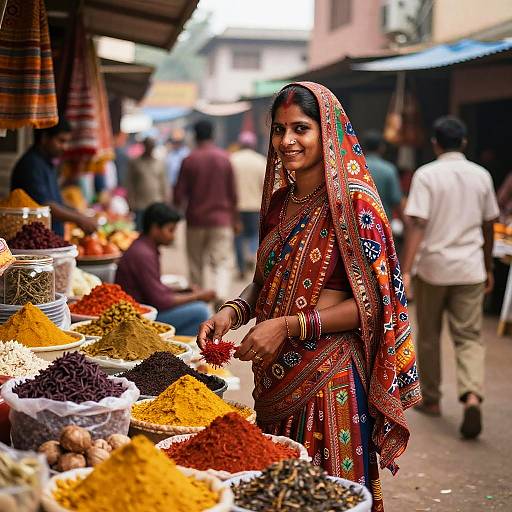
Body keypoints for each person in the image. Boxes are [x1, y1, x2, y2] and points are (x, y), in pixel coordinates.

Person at [197, 83, 420, 510]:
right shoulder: (281, 202)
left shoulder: (355, 205)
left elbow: (377, 305)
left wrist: (287, 325)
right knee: (277, 496)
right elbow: (263, 280)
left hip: (329, 380)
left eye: (300, 128)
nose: (287, 141)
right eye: (279, 130)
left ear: (328, 131)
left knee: (324, 497)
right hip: (275, 377)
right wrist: (232, 310)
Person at [402, 116, 499, 439]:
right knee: (469, 336)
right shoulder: (482, 176)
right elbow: (488, 225)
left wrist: (407, 269)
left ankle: (431, 400)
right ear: (465, 143)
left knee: (429, 335)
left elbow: (417, 224)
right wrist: (487, 268)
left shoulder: (427, 175)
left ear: (435, 143)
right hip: (470, 268)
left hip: (434, 268)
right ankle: (471, 394)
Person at [115, 203, 215, 336]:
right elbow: (160, 301)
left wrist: (184, 291)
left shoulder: (144, 247)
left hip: (146, 308)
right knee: (201, 311)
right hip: (138, 318)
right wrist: (197, 296)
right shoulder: (143, 254)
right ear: (155, 228)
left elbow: (154, 288)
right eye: (170, 230)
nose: (173, 236)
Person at [174, 120, 237, 306]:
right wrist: (235, 219)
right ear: (213, 134)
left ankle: (199, 299)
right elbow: (232, 193)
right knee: (222, 261)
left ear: (194, 136)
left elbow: (179, 194)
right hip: (222, 219)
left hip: (195, 220)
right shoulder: (224, 158)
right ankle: (219, 293)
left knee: (195, 263)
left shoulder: (189, 160)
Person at [10, 120, 97, 236]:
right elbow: (47, 206)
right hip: (35, 243)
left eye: (67, 142)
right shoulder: (31, 164)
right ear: (45, 138)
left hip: (48, 240)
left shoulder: (46, 163)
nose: (65, 147)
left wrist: (79, 213)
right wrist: (79, 219)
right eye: (61, 141)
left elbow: (56, 201)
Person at [230, 131, 266, 278]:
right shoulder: (260, 161)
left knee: (237, 237)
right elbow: (265, 186)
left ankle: (241, 268)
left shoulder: (232, 160)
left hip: (236, 207)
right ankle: (252, 255)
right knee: (253, 235)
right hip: (254, 205)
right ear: (253, 144)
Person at [126, 137, 169, 231]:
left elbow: (164, 183)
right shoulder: (135, 163)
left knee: (156, 231)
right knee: (141, 231)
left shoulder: (159, 163)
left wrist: (166, 200)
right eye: (148, 146)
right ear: (144, 146)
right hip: (140, 205)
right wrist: (130, 202)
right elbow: (130, 184)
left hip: (156, 202)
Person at [362, 130, 404, 223]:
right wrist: (405, 223)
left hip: (360, 226)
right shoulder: (389, 170)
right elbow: (396, 201)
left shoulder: (356, 167)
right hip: (383, 226)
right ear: (381, 148)